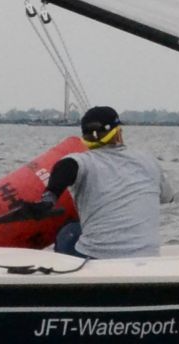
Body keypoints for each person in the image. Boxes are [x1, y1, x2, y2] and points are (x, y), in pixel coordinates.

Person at [46, 106, 169, 259]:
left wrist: (50, 197)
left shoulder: (82, 161)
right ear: (118, 133)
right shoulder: (149, 161)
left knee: (70, 230)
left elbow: (66, 167)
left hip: (97, 257)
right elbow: (168, 198)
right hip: (147, 256)